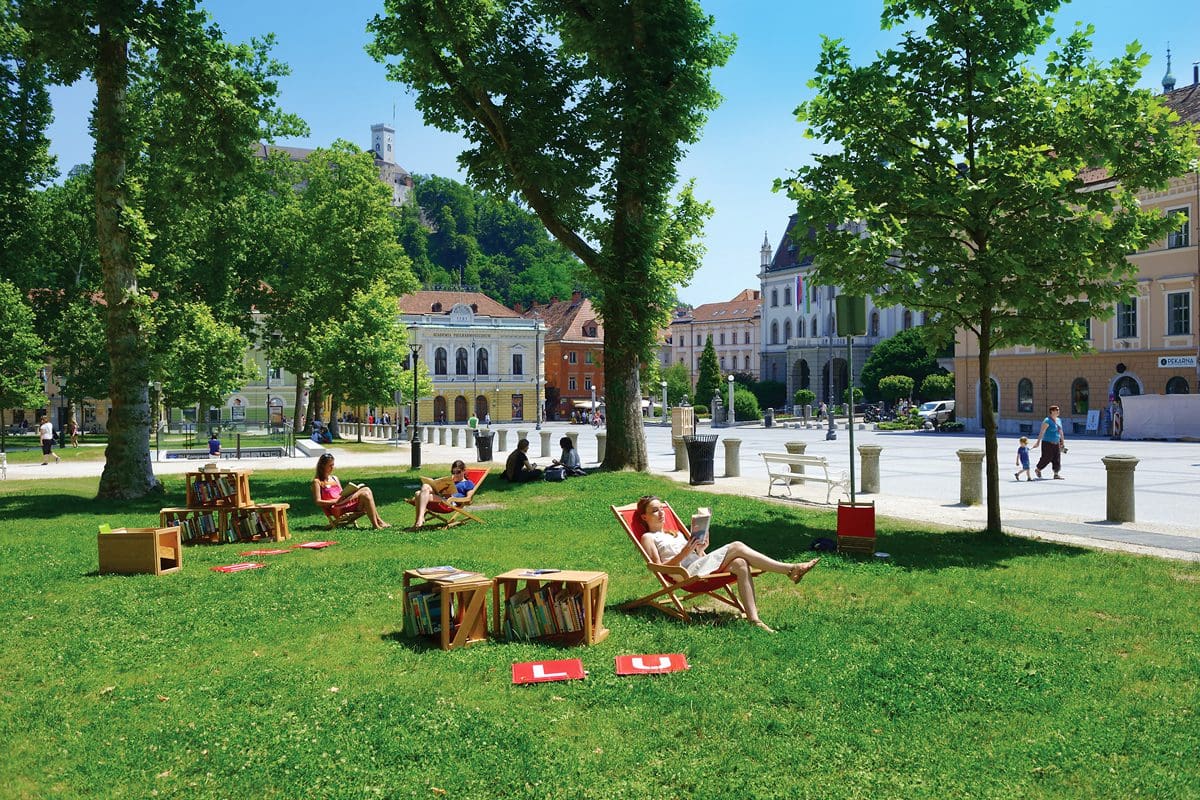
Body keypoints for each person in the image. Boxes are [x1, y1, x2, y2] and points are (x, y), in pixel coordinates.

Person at [635, 495, 819, 633]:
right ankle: (789, 569)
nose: (661, 513)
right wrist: (684, 553)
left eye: (662, 509)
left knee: (740, 563)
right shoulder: (648, 537)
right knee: (737, 546)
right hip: (687, 574)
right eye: (655, 511)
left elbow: (695, 556)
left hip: (699, 565)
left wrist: (701, 549)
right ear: (644, 517)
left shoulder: (674, 533)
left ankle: (754, 620)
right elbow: (658, 567)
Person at [311, 453, 390, 528]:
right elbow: (318, 502)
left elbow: (342, 493)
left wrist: (349, 492)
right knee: (365, 491)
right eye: (330, 465)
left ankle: (377, 523)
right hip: (336, 508)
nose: (332, 467)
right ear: (323, 466)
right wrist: (335, 501)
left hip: (344, 503)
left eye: (333, 465)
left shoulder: (335, 478)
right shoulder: (317, 482)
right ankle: (378, 523)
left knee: (366, 491)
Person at [410, 459, 476, 528]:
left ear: (464, 470)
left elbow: (468, 499)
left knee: (418, 494)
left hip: (450, 502)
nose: (456, 474)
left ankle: (418, 521)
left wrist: (454, 498)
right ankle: (420, 518)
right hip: (442, 497)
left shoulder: (468, 483)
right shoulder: (450, 481)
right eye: (453, 472)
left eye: (458, 472)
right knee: (424, 487)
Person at [1033, 404, 1066, 479]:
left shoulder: (1058, 420)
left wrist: (1062, 442)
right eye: (1056, 410)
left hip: (1056, 442)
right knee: (1046, 458)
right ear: (1052, 411)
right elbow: (1042, 432)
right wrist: (1038, 442)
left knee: (1057, 458)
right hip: (1047, 443)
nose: (1058, 411)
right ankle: (1038, 469)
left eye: (1058, 410)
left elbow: (1060, 431)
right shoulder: (1047, 420)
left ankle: (1056, 474)